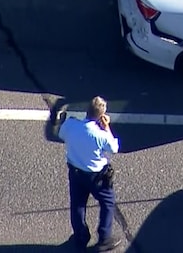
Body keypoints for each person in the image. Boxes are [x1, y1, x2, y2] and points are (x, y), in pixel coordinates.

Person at [58, 96, 121, 251]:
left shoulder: (71, 125)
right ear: (101, 116)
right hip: (96, 176)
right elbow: (114, 148)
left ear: (87, 111)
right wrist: (107, 128)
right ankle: (104, 237)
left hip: (75, 171)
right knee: (107, 202)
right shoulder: (100, 135)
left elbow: (61, 134)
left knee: (78, 204)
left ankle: (80, 236)